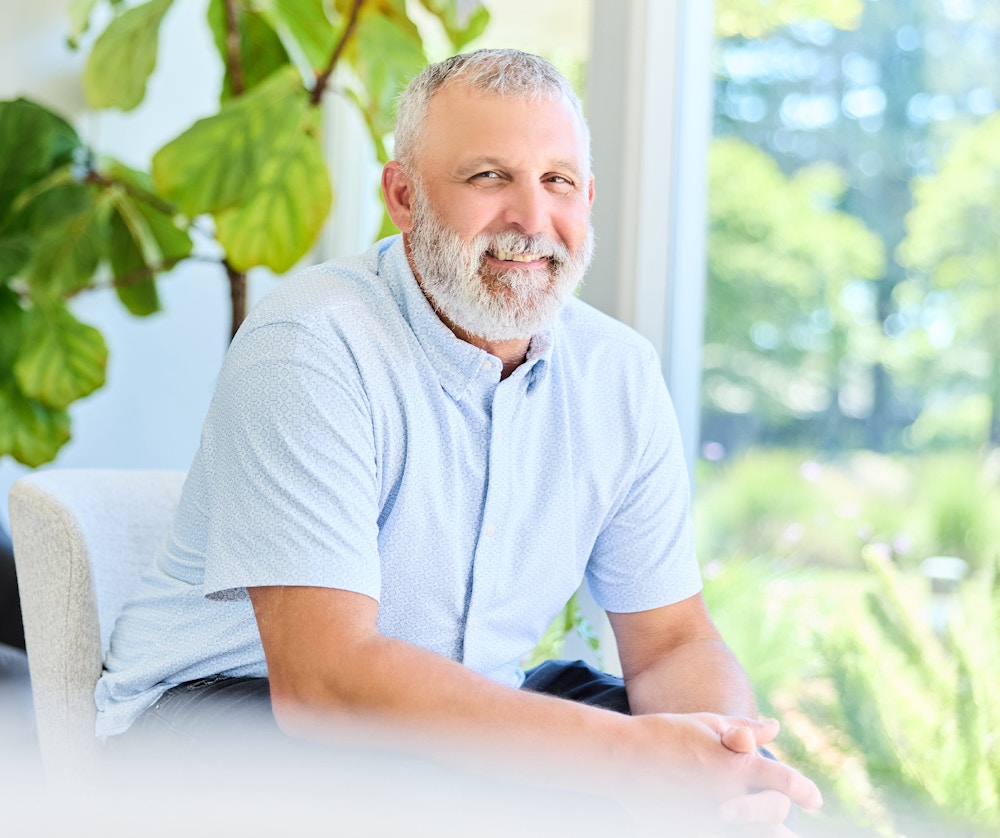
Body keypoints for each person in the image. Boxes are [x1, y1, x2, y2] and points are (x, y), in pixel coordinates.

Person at [96, 48, 822, 830]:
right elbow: (323, 686)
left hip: (468, 701)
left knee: (741, 783)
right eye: (488, 177)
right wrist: (623, 757)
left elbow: (673, 643)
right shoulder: (309, 343)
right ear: (403, 196)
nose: (531, 220)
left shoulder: (620, 372)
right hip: (223, 712)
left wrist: (722, 754)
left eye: (558, 182)